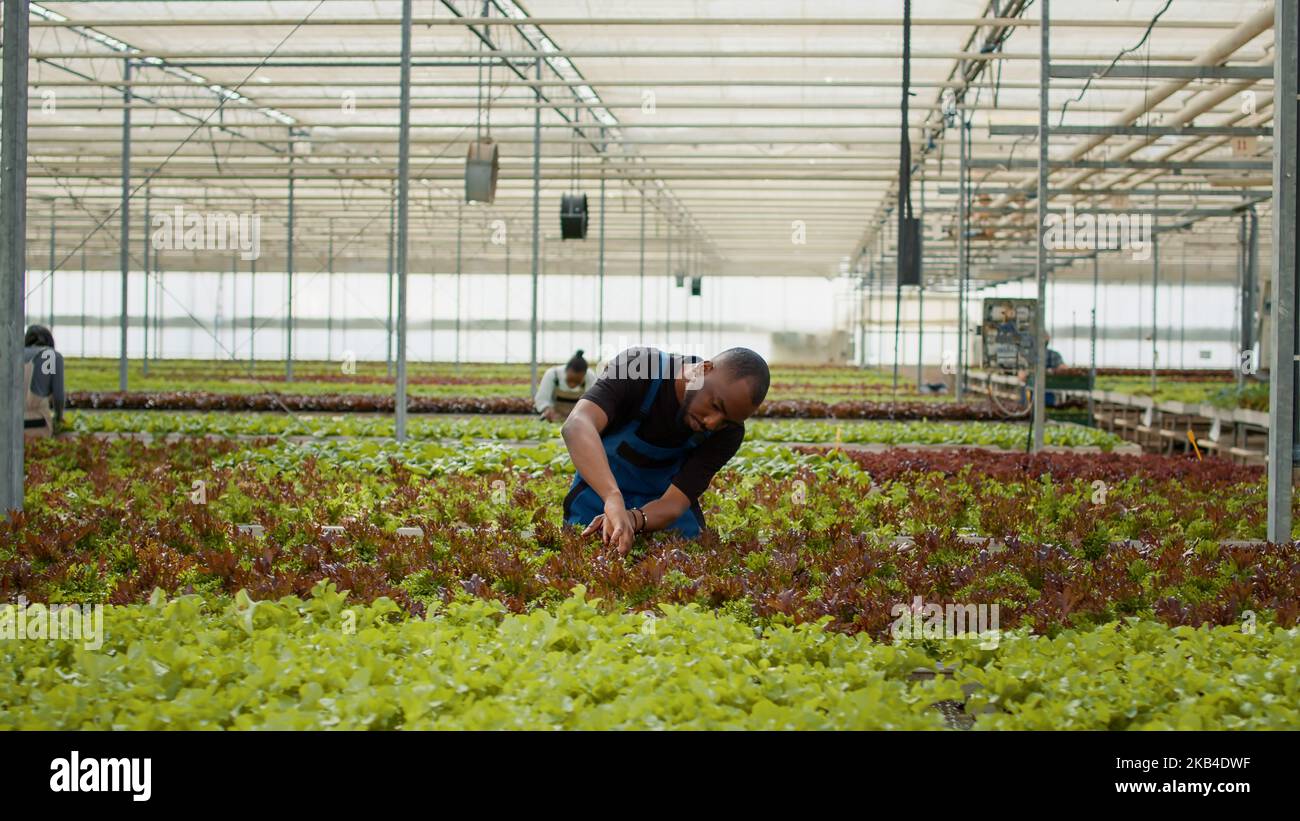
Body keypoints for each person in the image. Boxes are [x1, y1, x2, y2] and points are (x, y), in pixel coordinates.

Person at [561, 346, 770, 554]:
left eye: (726, 421)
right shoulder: (640, 366)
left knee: (685, 563)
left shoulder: (729, 433)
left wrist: (632, 520)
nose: (712, 423)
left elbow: (673, 503)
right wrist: (612, 498)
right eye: (716, 405)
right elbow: (577, 424)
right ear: (704, 370)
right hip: (597, 495)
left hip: (659, 514)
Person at [22, 324, 65, 439]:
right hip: (38, 424)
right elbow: (58, 397)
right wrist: (58, 419)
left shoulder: (13, 354)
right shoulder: (50, 355)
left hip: (10, 424)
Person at [534, 350, 596, 422]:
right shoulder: (553, 374)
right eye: (570, 380)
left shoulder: (590, 376)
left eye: (577, 382)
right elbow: (542, 398)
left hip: (578, 421)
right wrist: (547, 409)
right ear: (566, 371)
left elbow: (592, 402)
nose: (573, 384)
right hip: (554, 419)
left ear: (584, 375)